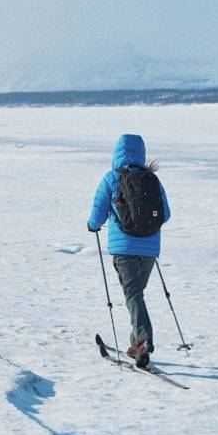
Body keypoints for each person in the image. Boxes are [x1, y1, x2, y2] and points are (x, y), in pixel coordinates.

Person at [88, 134, 170, 367]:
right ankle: (136, 343)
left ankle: (144, 340)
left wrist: (93, 226)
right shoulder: (152, 179)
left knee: (133, 294)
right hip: (149, 250)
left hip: (124, 248)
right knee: (136, 294)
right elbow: (167, 213)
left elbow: (98, 210)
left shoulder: (112, 178)